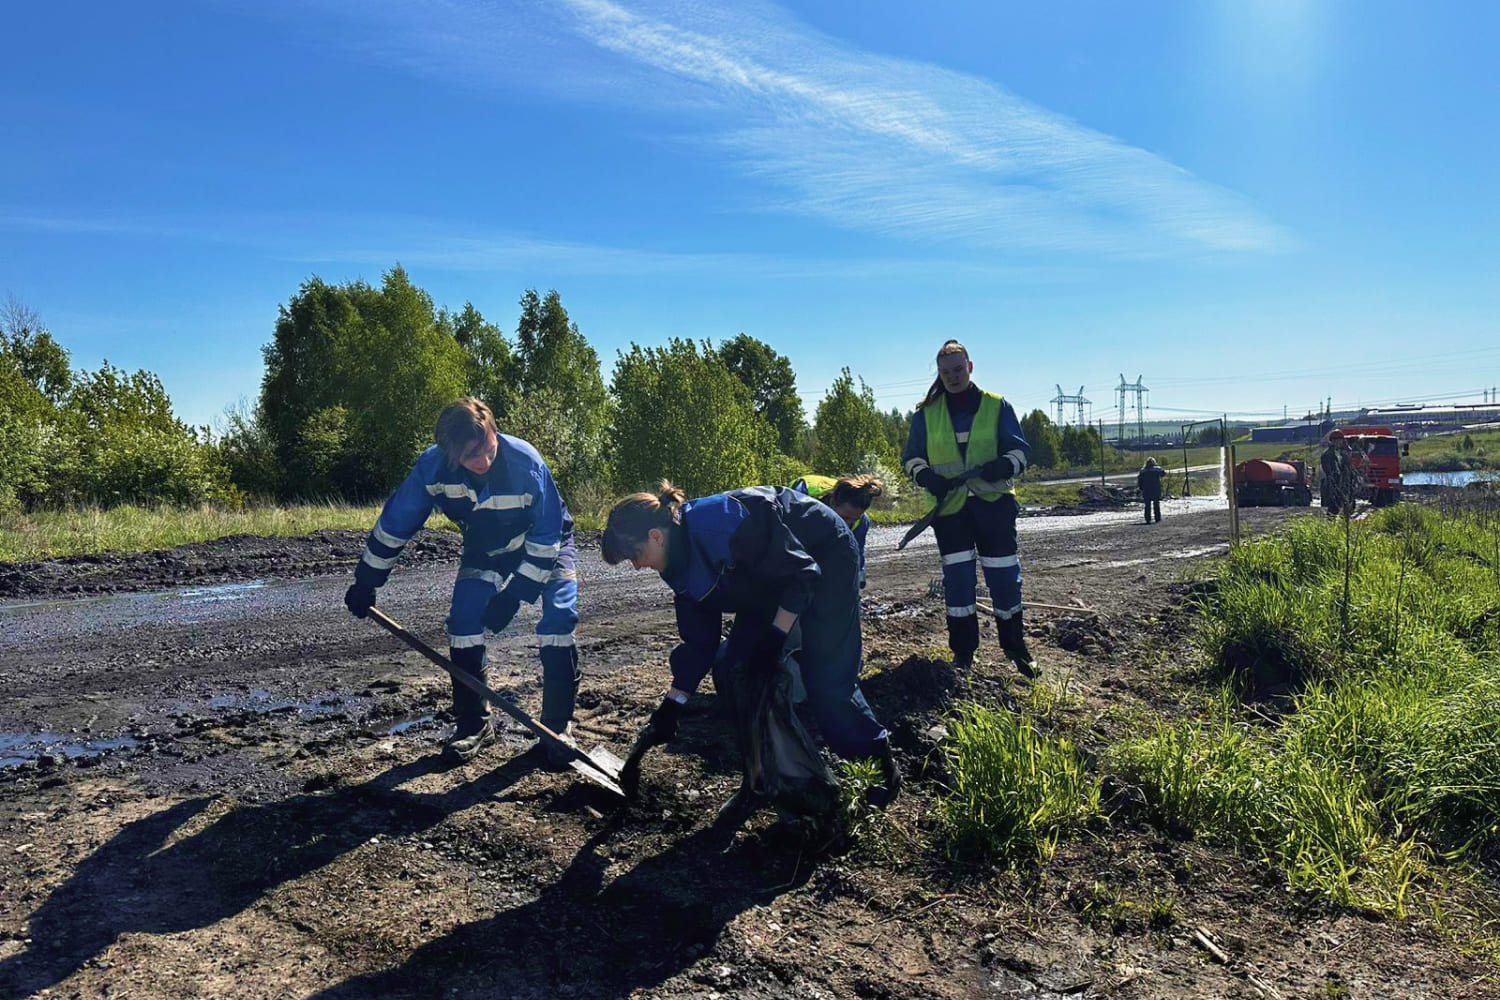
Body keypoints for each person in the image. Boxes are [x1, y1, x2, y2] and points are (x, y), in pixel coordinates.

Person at [601, 482, 900, 813]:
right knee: (734, 669)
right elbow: (700, 642)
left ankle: (881, 773)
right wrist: (673, 704)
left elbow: (801, 573)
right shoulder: (672, 563)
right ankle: (761, 779)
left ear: (656, 536)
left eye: (635, 555)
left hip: (824, 554)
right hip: (766, 581)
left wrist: (774, 640)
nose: (637, 566)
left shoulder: (725, 522)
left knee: (825, 678)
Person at [343, 397, 580, 764]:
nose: (482, 461)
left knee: (559, 619)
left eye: (487, 448)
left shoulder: (527, 463)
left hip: (546, 543)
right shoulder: (432, 468)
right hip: (485, 546)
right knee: (464, 621)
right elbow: (394, 526)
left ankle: (557, 729)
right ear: (451, 455)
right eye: (470, 457)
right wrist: (366, 581)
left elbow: (547, 535)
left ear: (494, 431)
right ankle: (474, 726)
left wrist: (515, 594)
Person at [901, 339, 1037, 677]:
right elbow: (911, 459)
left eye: (958, 370)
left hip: (993, 507)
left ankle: (1015, 648)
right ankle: (963, 654)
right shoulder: (926, 415)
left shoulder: (997, 406)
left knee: (1005, 579)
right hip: (950, 513)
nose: (953, 377)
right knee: (959, 584)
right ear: (939, 374)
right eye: (946, 372)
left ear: (970, 367)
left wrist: (1004, 466)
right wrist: (926, 477)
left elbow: (1021, 454)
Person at [791, 473, 883, 588]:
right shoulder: (803, 501)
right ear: (833, 504)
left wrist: (858, 581)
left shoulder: (862, 522)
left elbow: (856, 556)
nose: (847, 524)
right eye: (845, 517)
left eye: (854, 519)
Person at [1320, 431, 1353, 518]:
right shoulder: (1327, 455)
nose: (1338, 442)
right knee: (1333, 508)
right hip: (1333, 484)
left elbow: (1348, 468)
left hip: (1343, 484)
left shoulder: (1343, 454)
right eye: (1335, 440)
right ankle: (1330, 526)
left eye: (1340, 440)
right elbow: (1328, 472)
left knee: (1347, 507)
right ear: (1332, 441)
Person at [1137, 457, 1167, 524]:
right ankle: (1157, 518)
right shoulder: (1157, 469)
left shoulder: (1142, 471)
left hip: (1146, 490)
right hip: (1156, 489)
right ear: (1154, 463)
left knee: (1147, 505)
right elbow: (1164, 474)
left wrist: (1141, 488)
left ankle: (1148, 519)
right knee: (1156, 504)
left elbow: (1139, 481)